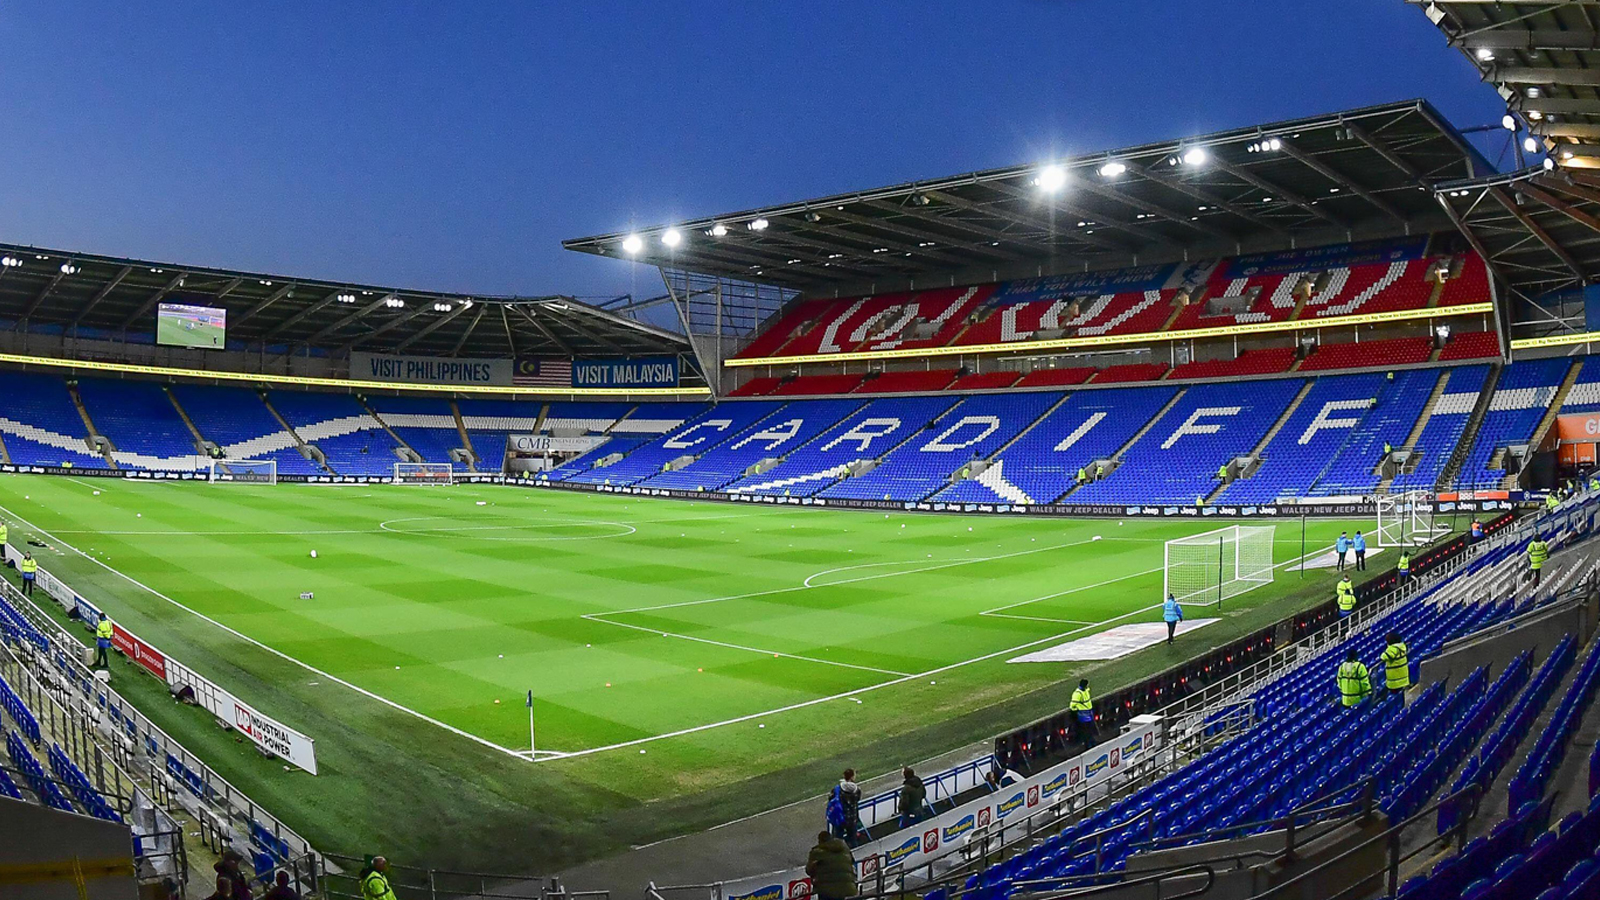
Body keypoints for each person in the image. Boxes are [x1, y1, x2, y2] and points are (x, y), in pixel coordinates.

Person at [806, 831, 857, 900]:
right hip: (845, 887)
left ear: (820, 840)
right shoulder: (844, 848)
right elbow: (852, 861)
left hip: (826, 890)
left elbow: (809, 870)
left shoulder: (817, 852)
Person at [1380, 632, 1410, 702]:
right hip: (1403, 678)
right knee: (1401, 696)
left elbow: (1383, 657)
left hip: (1395, 680)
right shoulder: (1402, 646)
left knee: (1395, 698)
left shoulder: (1392, 649)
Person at [1070, 679, 1095, 750]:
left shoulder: (1085, 691)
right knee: (1086, 730)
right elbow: (1072, 705)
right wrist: (1076, 711)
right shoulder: (1077, 694)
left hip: (1088, 714)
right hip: (1083, 715)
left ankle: (1090, 743)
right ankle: (1088, 745)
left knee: (1089, 730)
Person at [837, 769, 861, 845]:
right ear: (852, 777)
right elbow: (857, 799)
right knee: (853, 839)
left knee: (838, 838)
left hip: (840, 816)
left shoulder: (838, 788)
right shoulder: (857, 790)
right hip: (852, 818)